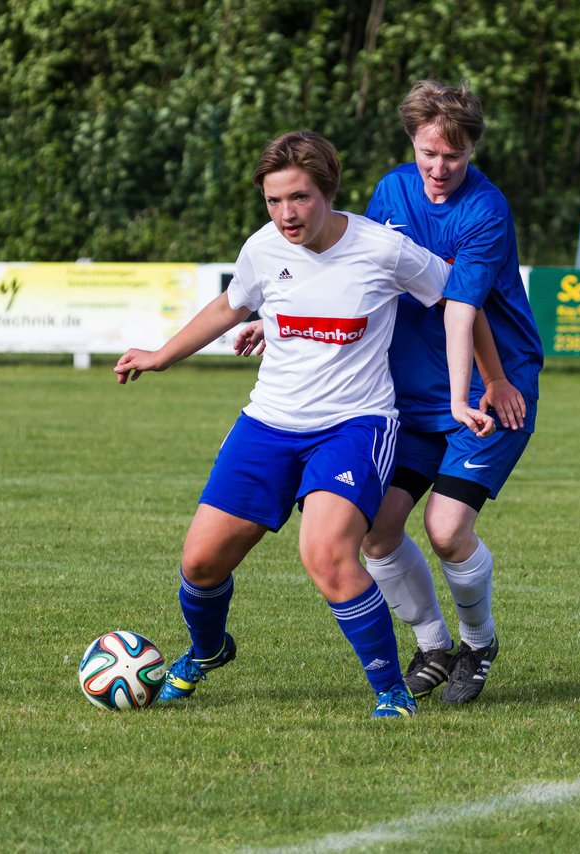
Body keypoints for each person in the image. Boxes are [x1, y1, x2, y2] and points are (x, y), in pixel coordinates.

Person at [114, 131, 494, 718]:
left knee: (325, 555)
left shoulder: (382, 249)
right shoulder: (263, 249)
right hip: (267, 424)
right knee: (199, 563)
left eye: (299, 198)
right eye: (273, 201)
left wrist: (493, 380)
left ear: (328, 193)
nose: (286, 214)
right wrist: (162, 355)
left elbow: (459, 299)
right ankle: (209, 650)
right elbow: (229, 306)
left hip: (355, 426)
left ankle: (391, 692)